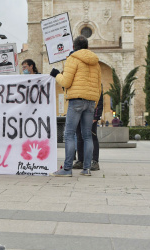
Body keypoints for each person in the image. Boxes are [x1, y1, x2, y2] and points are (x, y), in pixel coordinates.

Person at [50, 35, 101, 177]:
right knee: (87, 136)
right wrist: (94, 103)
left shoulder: (73, 59)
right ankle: (87, 168)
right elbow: (98, 85)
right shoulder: (96, 62)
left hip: (77, 100)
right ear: (87, 47)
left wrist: (56, 75)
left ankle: (67, 169)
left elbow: (66, 82)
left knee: (69, 134)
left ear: (73, 47)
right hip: (91, 101)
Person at [73, 90, 104, 171]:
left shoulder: (95, 80)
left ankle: (95, 161)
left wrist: (96, 116)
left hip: (91, 113)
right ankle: (81, 160)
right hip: (78, 112)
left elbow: (99, 99)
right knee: (79, 137)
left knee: (92, 137)